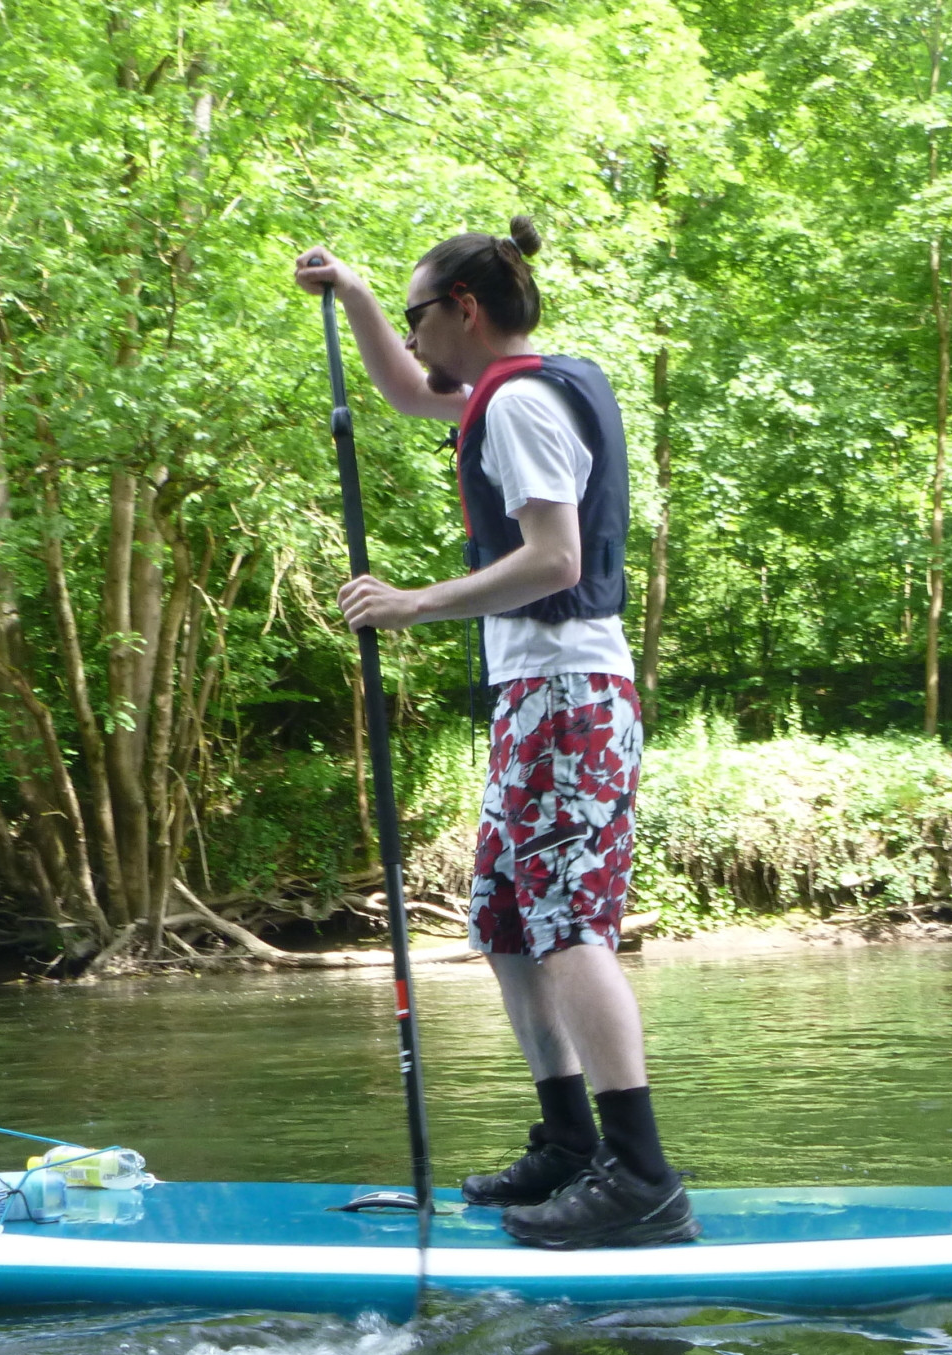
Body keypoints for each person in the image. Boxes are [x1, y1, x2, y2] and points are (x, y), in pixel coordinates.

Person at [293, 217, 698, 1250]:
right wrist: (355, 292)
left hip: (568, 693)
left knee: (566, 925)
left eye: (418, 315)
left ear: (464, 308)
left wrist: (413, 604)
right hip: (537, 696)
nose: (413, 338)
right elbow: (403, 391)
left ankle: (642, 1175)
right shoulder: (513, 387)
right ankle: (569, 1141)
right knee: (508, 921)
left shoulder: (518, 403)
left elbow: (555, 559)